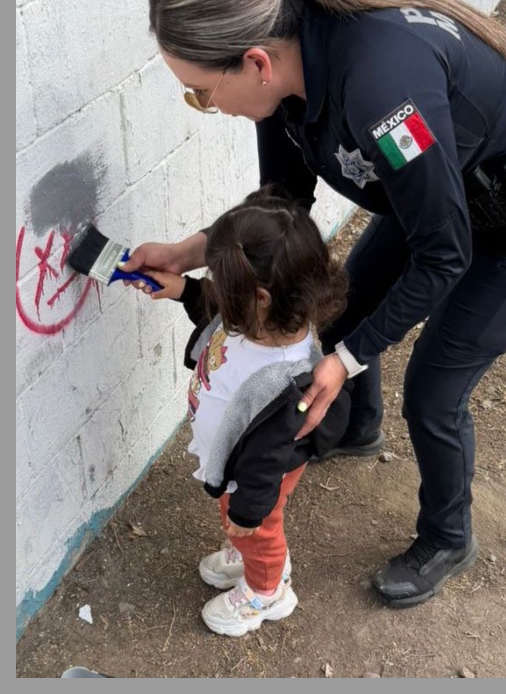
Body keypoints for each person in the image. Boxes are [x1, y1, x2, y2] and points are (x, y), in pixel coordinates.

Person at [121, 0, 506, 608]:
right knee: (337, 315)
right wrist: (191, 253)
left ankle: (449, 536)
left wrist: (348, 360)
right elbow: (282, 206)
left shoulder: (384, 92)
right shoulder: (286, 77)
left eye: (201, 93)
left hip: (504, 224)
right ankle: (358, 430)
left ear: (254, 62)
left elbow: (443, 251)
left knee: (432, 389)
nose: (206, 105)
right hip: (430, 204)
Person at [138, 189, 352, 637]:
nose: (213, 286)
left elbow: (267, 461)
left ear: (258, 298)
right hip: (238, 462)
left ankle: (266, 590)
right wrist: (176, 287)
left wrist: (249, 514)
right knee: (241, 523)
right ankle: (248, 554)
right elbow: (213, 308)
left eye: (221, 281)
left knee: (257, 529)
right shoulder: (262, 320)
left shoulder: (283, 382)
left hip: (255, 477)